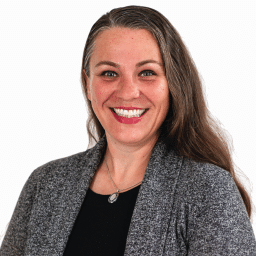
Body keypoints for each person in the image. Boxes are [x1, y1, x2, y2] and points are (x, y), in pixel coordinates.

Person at [1, 5, 256, 256]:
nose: (127, 92)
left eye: (147, 72)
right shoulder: (44, 185)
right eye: (109, 73)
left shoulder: (208, 191)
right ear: (88, 84)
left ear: (173, 84)